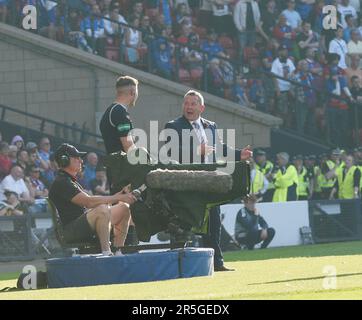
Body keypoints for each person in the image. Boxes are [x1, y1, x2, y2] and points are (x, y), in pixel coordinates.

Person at [164, 89, 252, 272]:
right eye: (186, 103)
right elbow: (170, 151)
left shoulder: (211, 126)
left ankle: (217, 263)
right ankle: (177, 264)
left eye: (192, 103)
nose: (188, 106)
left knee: (214, 224)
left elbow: (219, 148)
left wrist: (239, 154)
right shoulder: (173, 126)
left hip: (210, 182)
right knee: (183, 224)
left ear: (201, 107)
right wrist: (197, 151)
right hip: (186, 183)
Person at [48, 143, 136, 256]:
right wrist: (118, 197)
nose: (81, 161)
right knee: (102, 210)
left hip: (81, 225)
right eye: (76, 157)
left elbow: (90, 203)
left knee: (124, 208)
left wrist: (121, 195)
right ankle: (107, 253)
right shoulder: (62, 182)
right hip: (69, 231)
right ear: (64, 160)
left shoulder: (69, 181)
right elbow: (89, 202)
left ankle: (118, 251)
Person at [99, 75, 139, 245]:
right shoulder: (120, 112)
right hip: (123, 169)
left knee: (122, 207)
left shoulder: (110, 111)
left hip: (115, 168)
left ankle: (120, 248)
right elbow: (127, 144)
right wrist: (143, 161)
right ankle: (124, 248)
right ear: (132, 91)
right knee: (126, 207)